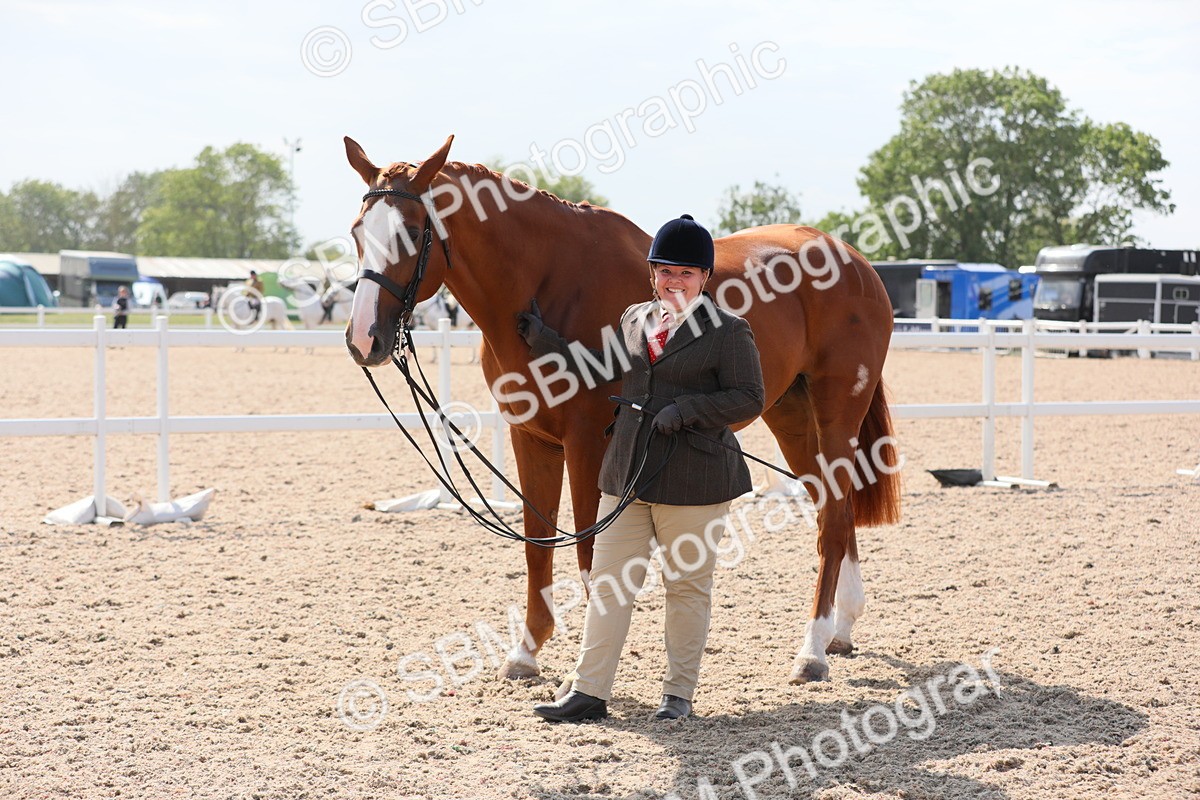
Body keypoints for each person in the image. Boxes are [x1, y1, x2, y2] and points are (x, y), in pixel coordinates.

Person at [518, 214, 765, 723]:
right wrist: (545, 342)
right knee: (609, 583)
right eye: (665, 271)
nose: (674, 281)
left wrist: (689, 410)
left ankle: (678, 696)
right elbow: (602, 364)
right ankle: (589, 691)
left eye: (686, 273)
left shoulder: (728, 331)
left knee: (685, 589)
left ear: (704, 279)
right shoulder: (635, 318)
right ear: (652, 274)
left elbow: (749, 397)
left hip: (694, 478)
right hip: (627, 473)